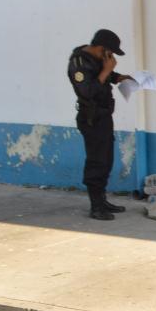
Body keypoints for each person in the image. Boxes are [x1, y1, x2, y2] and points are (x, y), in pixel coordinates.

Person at [67, 29, 133, 220]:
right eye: (110, 52)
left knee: (106, 160)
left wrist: (118, 77)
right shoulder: (78, 63)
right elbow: (87, 91)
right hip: (91, 118)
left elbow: (103, 77)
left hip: (103, 117)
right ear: (102, 49)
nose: (111, 57)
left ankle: (102, 200)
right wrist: (106, 71)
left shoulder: (95, 60)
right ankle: (96, 206)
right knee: (97, 162)